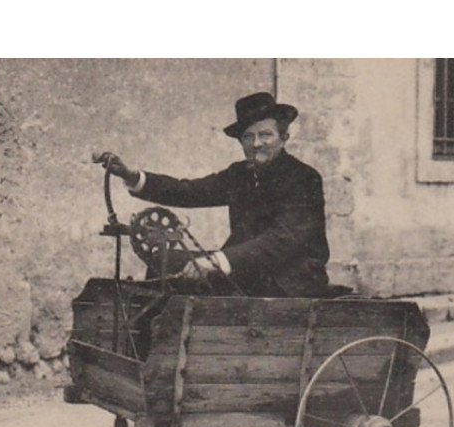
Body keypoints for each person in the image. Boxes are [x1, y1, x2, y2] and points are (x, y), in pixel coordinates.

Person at [96, 92, 330, 297]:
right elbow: (188, 191)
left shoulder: (304, 178)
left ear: (283, 138)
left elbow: (282, 239)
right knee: (165, 262)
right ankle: (154, 342)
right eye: (248, 137)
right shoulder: (240, 174)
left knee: (200, 275)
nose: (257, 143)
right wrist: (130, 175)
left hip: (291, 280)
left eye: (265, 135)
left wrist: (217, 262)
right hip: (249, 270)